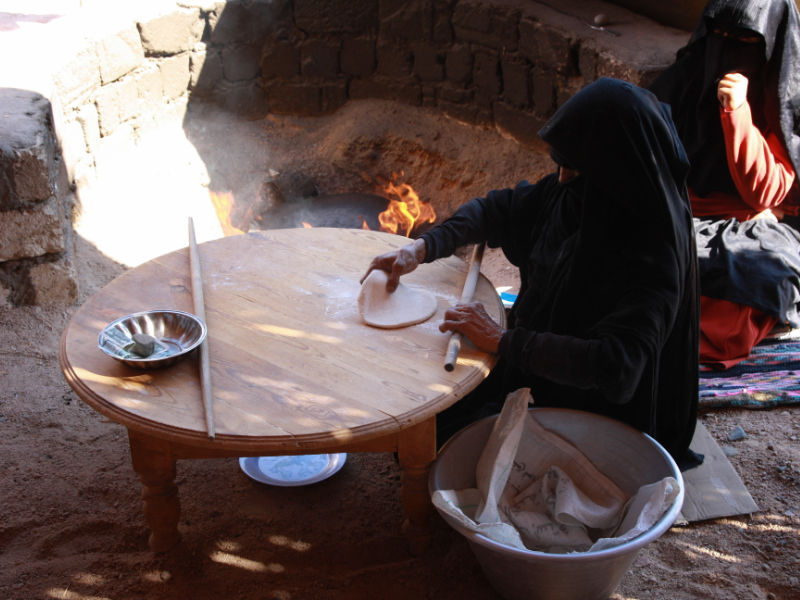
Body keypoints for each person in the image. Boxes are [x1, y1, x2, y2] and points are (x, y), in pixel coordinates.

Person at [362, 78, 702, 470]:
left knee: (459, 452)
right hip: (538, 356)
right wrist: (422, 248)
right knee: (426, 414)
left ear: (615, 169)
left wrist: (503, 340)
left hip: (602, 405)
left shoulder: (652, 248)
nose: (562, 179)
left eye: (576, 168)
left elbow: (618, 367)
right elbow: (496, 209)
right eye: (561, 164)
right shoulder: (580, 189)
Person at [649, 0, 800, 369]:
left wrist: (737, 114)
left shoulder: (783, 95)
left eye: (745, 39)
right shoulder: (686, 78)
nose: (727, 48)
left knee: (749, 282)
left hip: (756, 226)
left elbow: (767, 193)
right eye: (720, 34)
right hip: (683, 214)